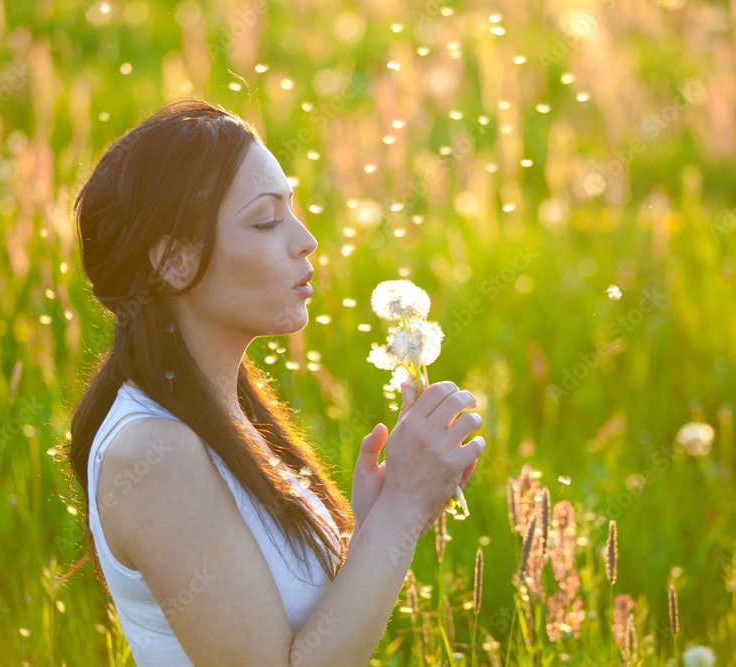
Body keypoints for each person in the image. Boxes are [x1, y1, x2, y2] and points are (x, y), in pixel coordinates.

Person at [62, 98, 486, 666]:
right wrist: (402, 511)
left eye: (293, 208)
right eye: (265, 220)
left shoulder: (223, 415)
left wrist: (372, 527)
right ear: (173, 262)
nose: (306, 239)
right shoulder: (155, 453)